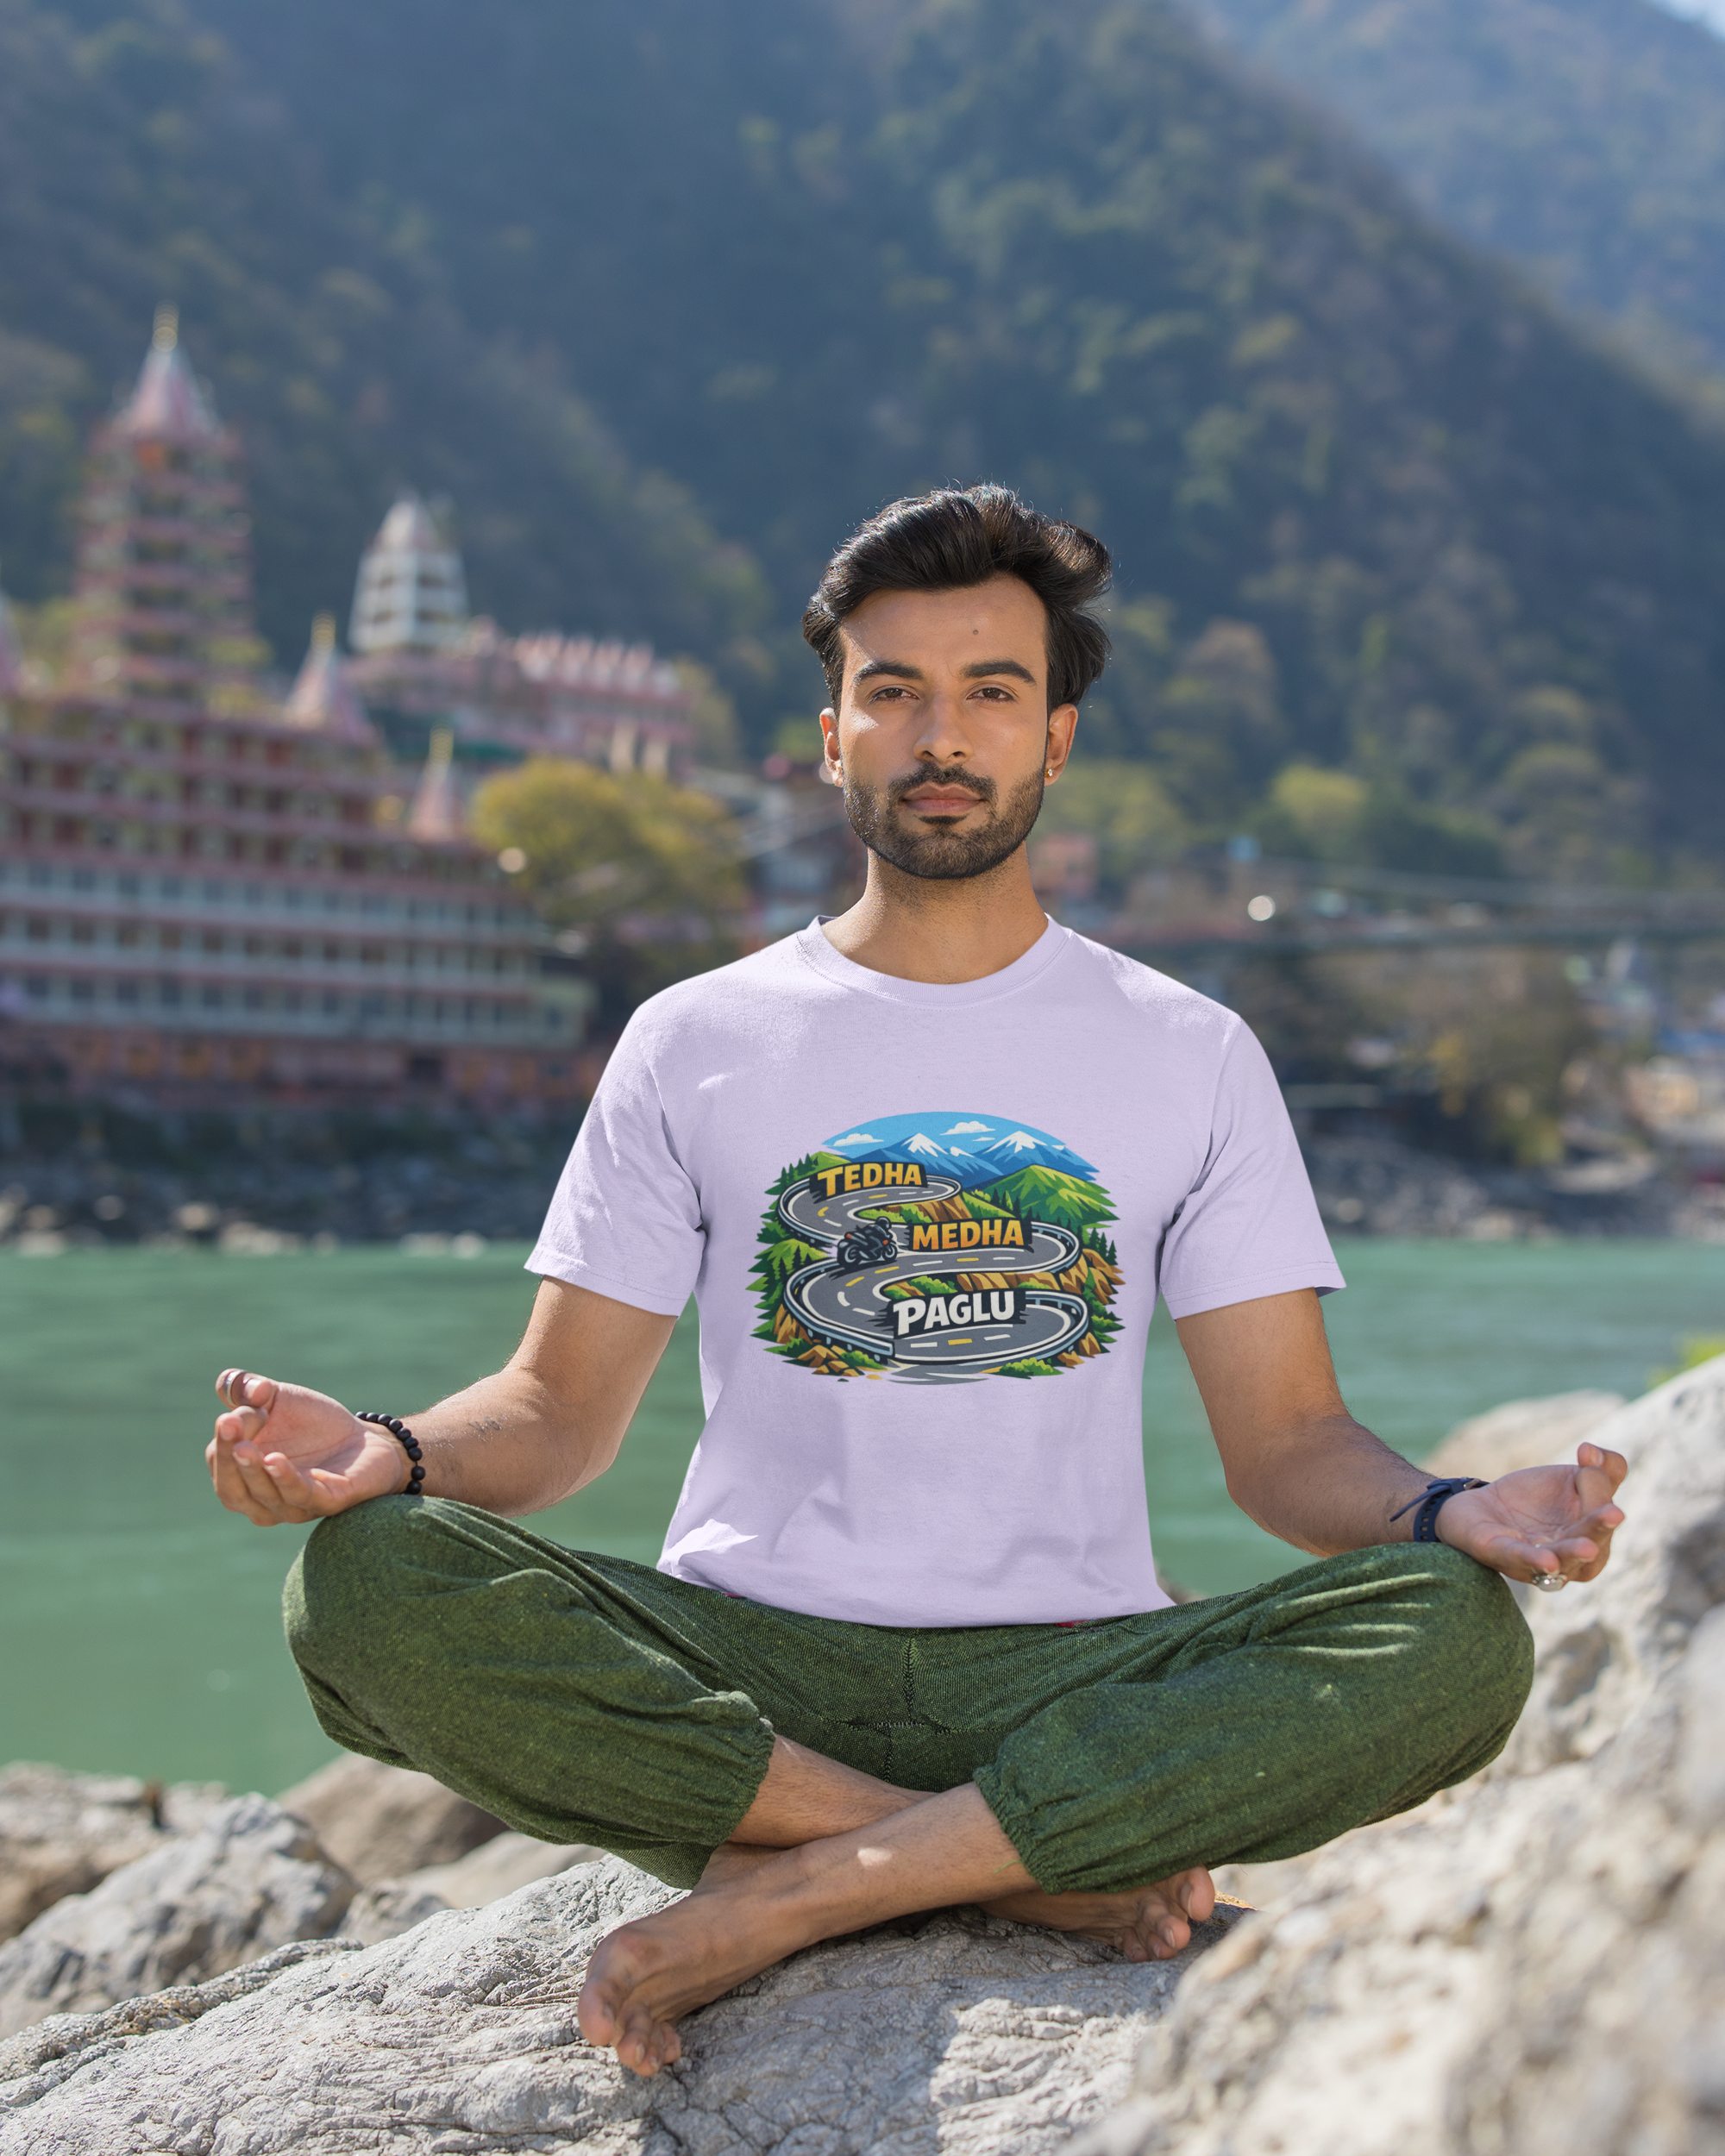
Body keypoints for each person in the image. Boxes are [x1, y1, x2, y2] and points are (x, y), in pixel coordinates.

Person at [207, 486, 1626, 2081]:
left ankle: (797, 1892)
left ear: (1056, 740)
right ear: (832, 737)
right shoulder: (696, 1038)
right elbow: (554, 1415)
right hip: (756, 1678)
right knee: (360, 1585)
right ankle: (1009, 1868)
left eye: (991, 693)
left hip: (1067, 1672)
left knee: (1458, 1638)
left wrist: (1451, 1514)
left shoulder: (1190, 1053)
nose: (939, 735)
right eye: (894, 694)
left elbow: (1287, 1449)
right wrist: (381, 1457)